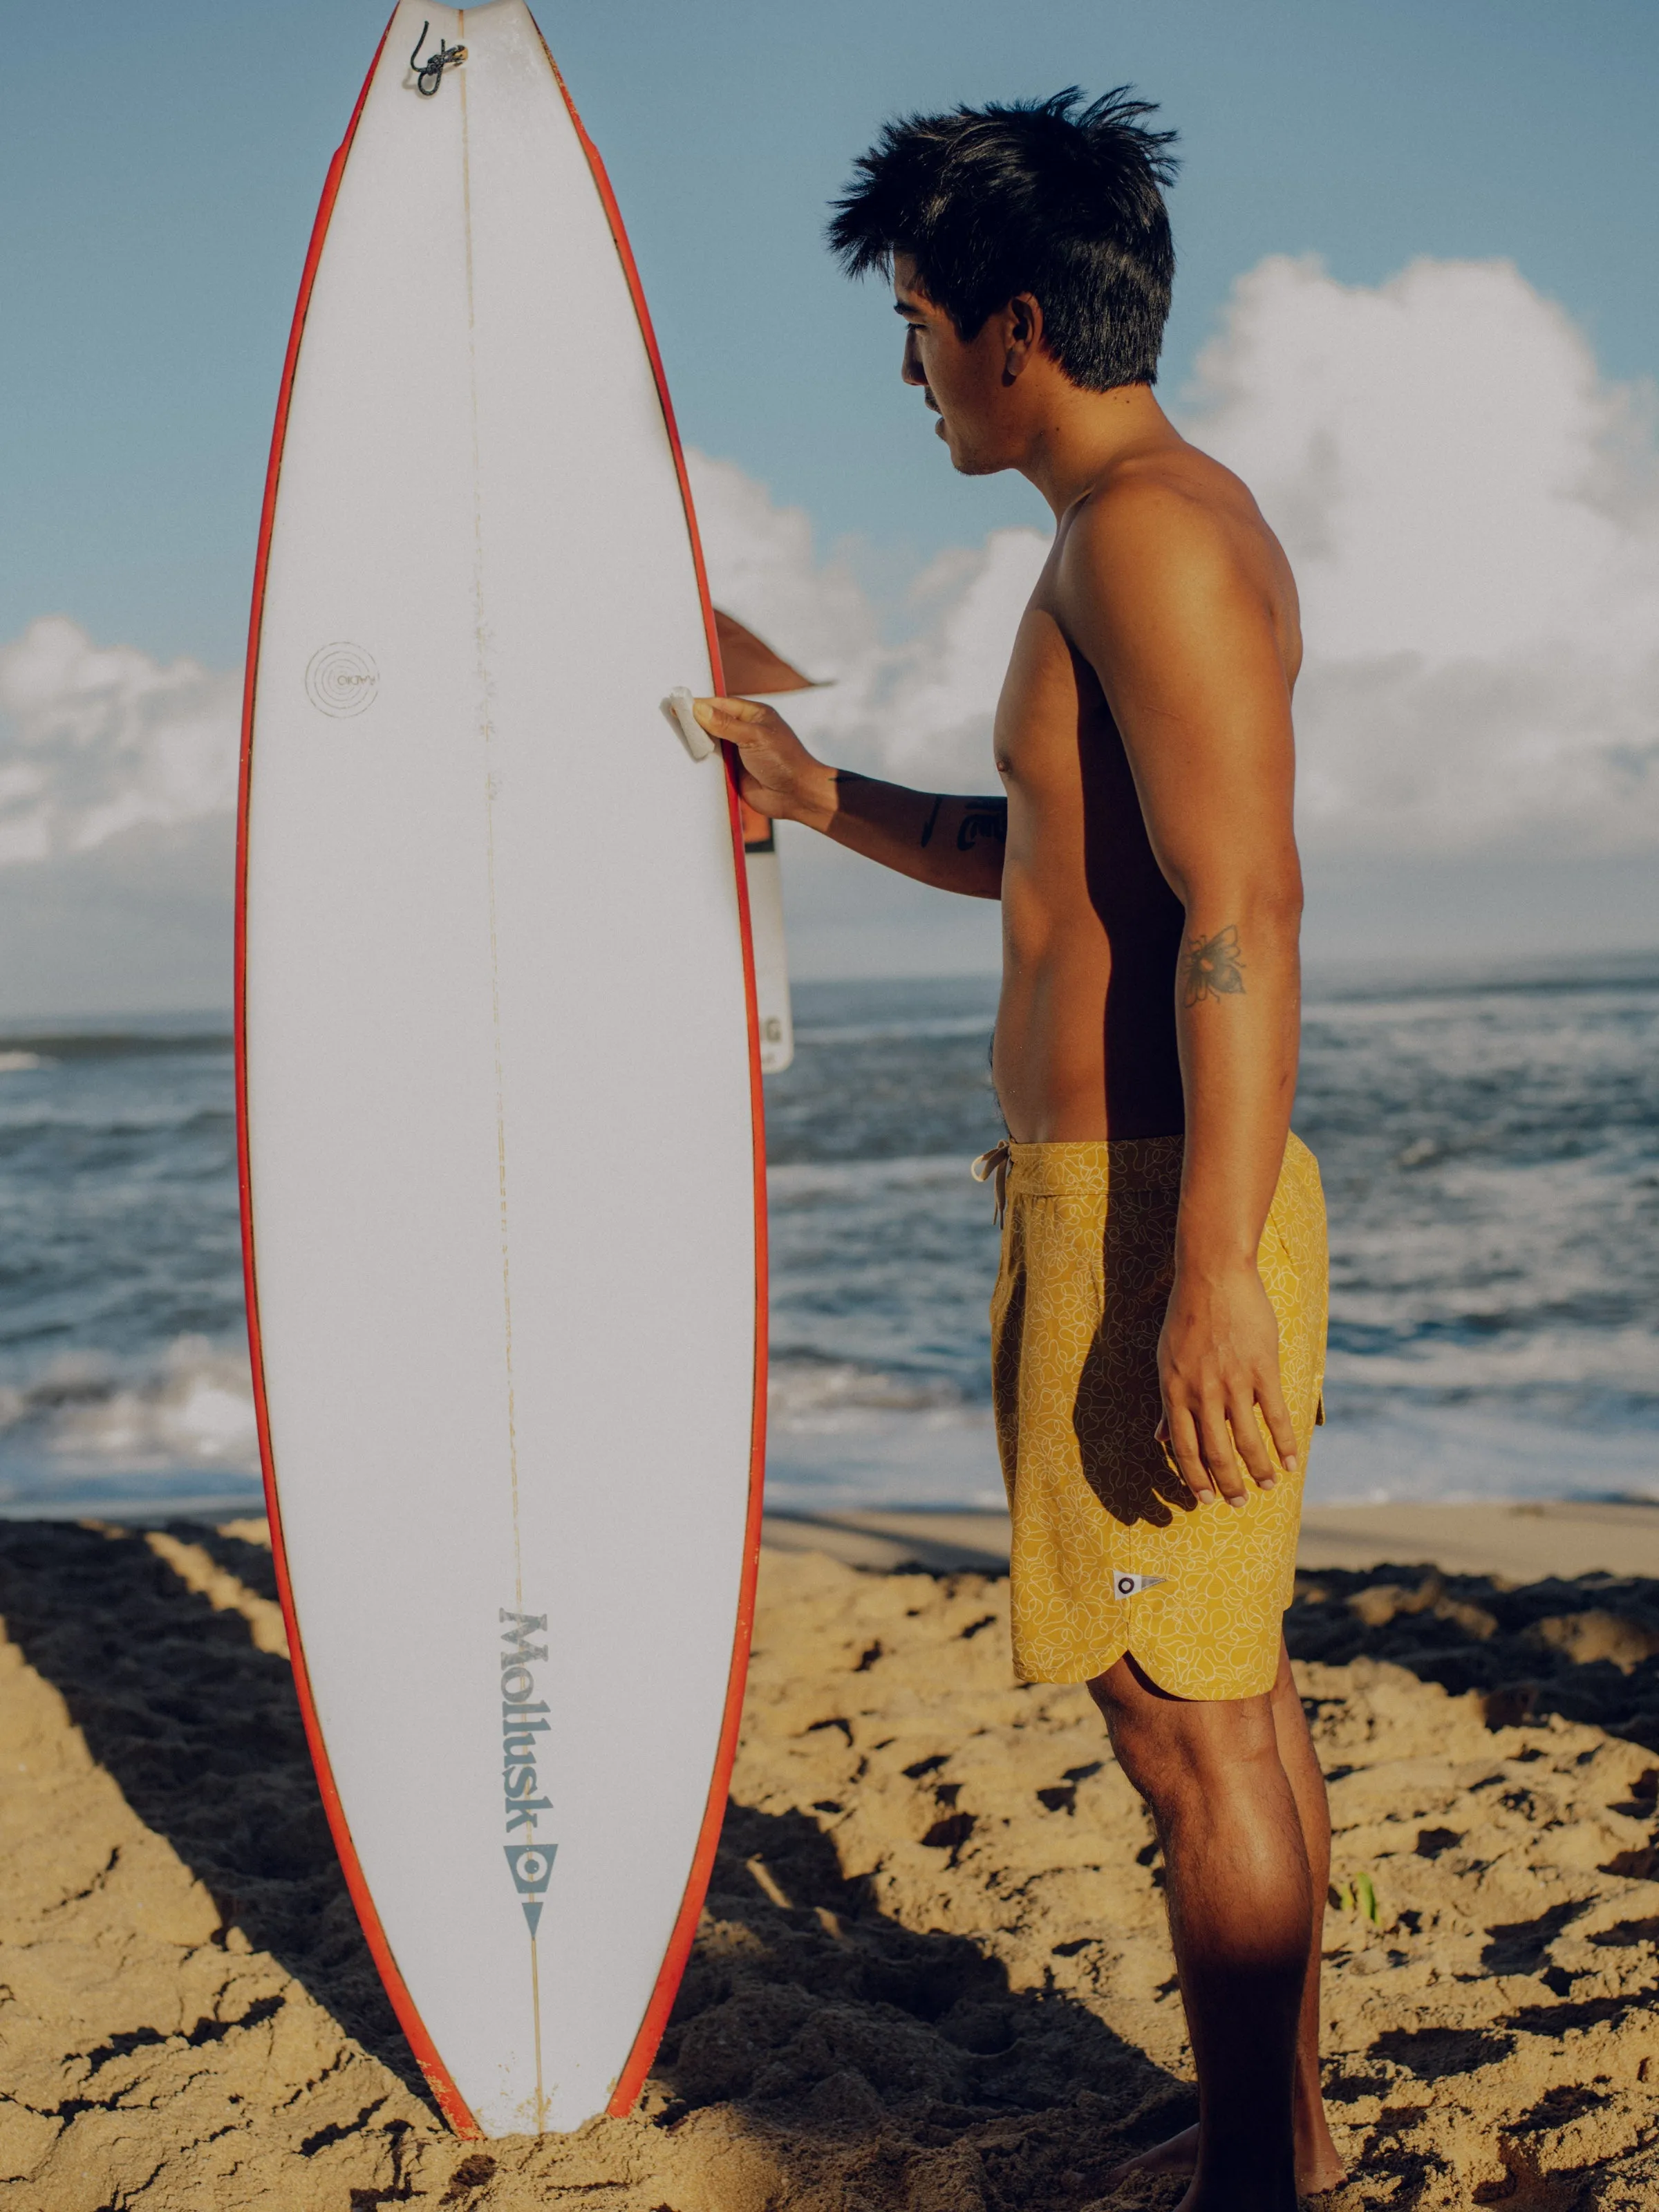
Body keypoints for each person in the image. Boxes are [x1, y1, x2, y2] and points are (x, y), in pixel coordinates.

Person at [693, 91, 1340, 2212]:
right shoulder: (1120, 537)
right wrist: (819, 793)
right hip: (1127, 1197)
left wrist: (1210, 1264)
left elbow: (1245, 911)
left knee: (1184, 1717)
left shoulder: (1147, 530)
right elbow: (1059, 863)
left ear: (1018, 326)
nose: (908, 374)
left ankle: (1261, 2181)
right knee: (1219, 1694)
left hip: (1161, 1197)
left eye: (918, 327)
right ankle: (1281, 2129)